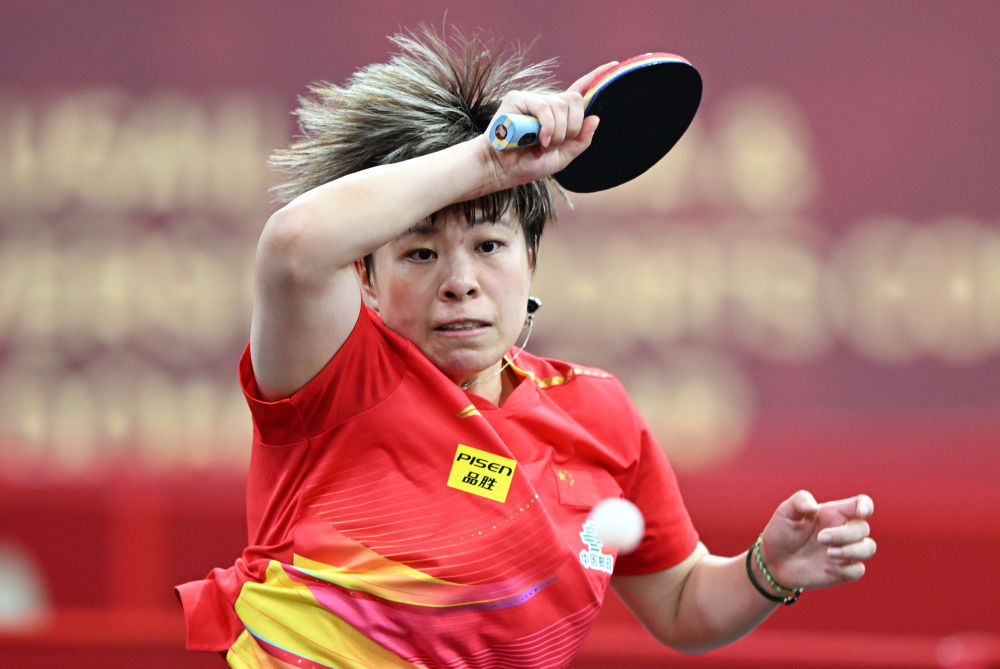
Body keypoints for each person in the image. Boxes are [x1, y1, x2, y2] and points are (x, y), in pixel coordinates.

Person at [176, 27, 876, 668]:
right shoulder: (336, 379)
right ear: (366, 278)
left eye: (489, 246)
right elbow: (295, 246)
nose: (459, 282)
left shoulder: (596, 415)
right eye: (420, 253)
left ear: (530, 261)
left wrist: (766, 569)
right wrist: (489, 160)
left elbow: (682, 600)